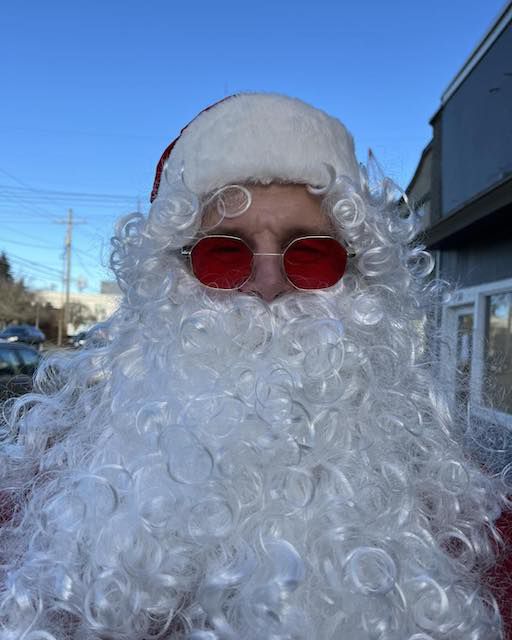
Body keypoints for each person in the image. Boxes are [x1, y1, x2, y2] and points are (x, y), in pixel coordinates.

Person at [0, 93, 510, 639]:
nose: (268, 286)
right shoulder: (35, 510)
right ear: (168, 285)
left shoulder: (474, 528)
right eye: (224, 254)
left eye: (311, 255)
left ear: (361, 283)